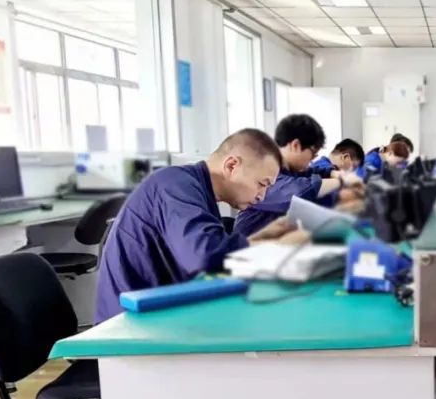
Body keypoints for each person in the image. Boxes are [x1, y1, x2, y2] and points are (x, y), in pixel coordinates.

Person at [94, 129, 294, 323]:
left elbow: (211, 247)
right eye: (262, 184)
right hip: (126, 324)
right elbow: (202, 255)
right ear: (232, 165)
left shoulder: (196, 189)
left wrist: (263, 236)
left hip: (154, 311)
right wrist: (277, 245)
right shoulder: (174, 185)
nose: (262, 196)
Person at [234, 114, 361, 238]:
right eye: (312, 154)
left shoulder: (289, 168)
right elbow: (297, 192)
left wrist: (332, 173)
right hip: (248, 245)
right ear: (295, 145)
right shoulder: (266, 171)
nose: (311, 160)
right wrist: (342, 180)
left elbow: (311, 172)